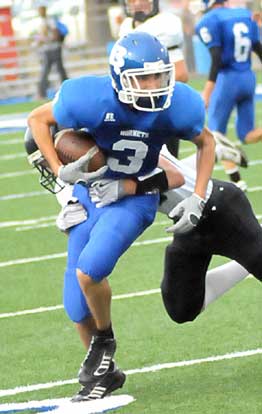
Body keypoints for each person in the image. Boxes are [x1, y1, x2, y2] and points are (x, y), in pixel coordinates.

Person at [27, 31, 216, 401]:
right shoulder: (91, 97)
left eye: (159, 77)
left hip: (134, 197)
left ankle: (104, 343)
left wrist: (196, 196)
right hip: (90, 194)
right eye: (142, 78)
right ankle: (103, 373)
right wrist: (61, 174)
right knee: (75, 303)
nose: (153, 87)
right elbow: (37, 120)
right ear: (118, 77)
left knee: (90, 270)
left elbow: (205, 142)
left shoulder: (177, 104)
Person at [88, 146, 262, 332]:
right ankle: (247, 261)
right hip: (187, 223)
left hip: (219, 207)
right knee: (182, 308)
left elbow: (173, 175)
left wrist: (126, 188)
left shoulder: (132, 133)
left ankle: (250, 256)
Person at [118, 0, 249, 167]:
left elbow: (181, 73)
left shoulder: (164, 24)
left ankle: (214, 152)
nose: (136, 3)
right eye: (131, 0)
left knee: (162, 170)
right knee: (149, 168)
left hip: (160, 106)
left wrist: (148, 89)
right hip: (135, 106)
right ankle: (217, 152)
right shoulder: (126, 26)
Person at [195, 0, 262, 191]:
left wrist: (207, 92)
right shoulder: (243, 13)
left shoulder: (209, 19)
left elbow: (216, 58)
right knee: (248, 135)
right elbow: (259, 49)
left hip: (227, 80)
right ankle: (236, 180)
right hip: (248, 77)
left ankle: (237, 180)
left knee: (214, 134)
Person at [34, 5, 68, 99]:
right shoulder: (42, 22)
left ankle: (66, 90)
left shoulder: (50, 21)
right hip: (47, 49)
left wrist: (46, 39)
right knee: (48, 71)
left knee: (59, 71)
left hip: (54, 49)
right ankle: (42, 93)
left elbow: (55, 34)